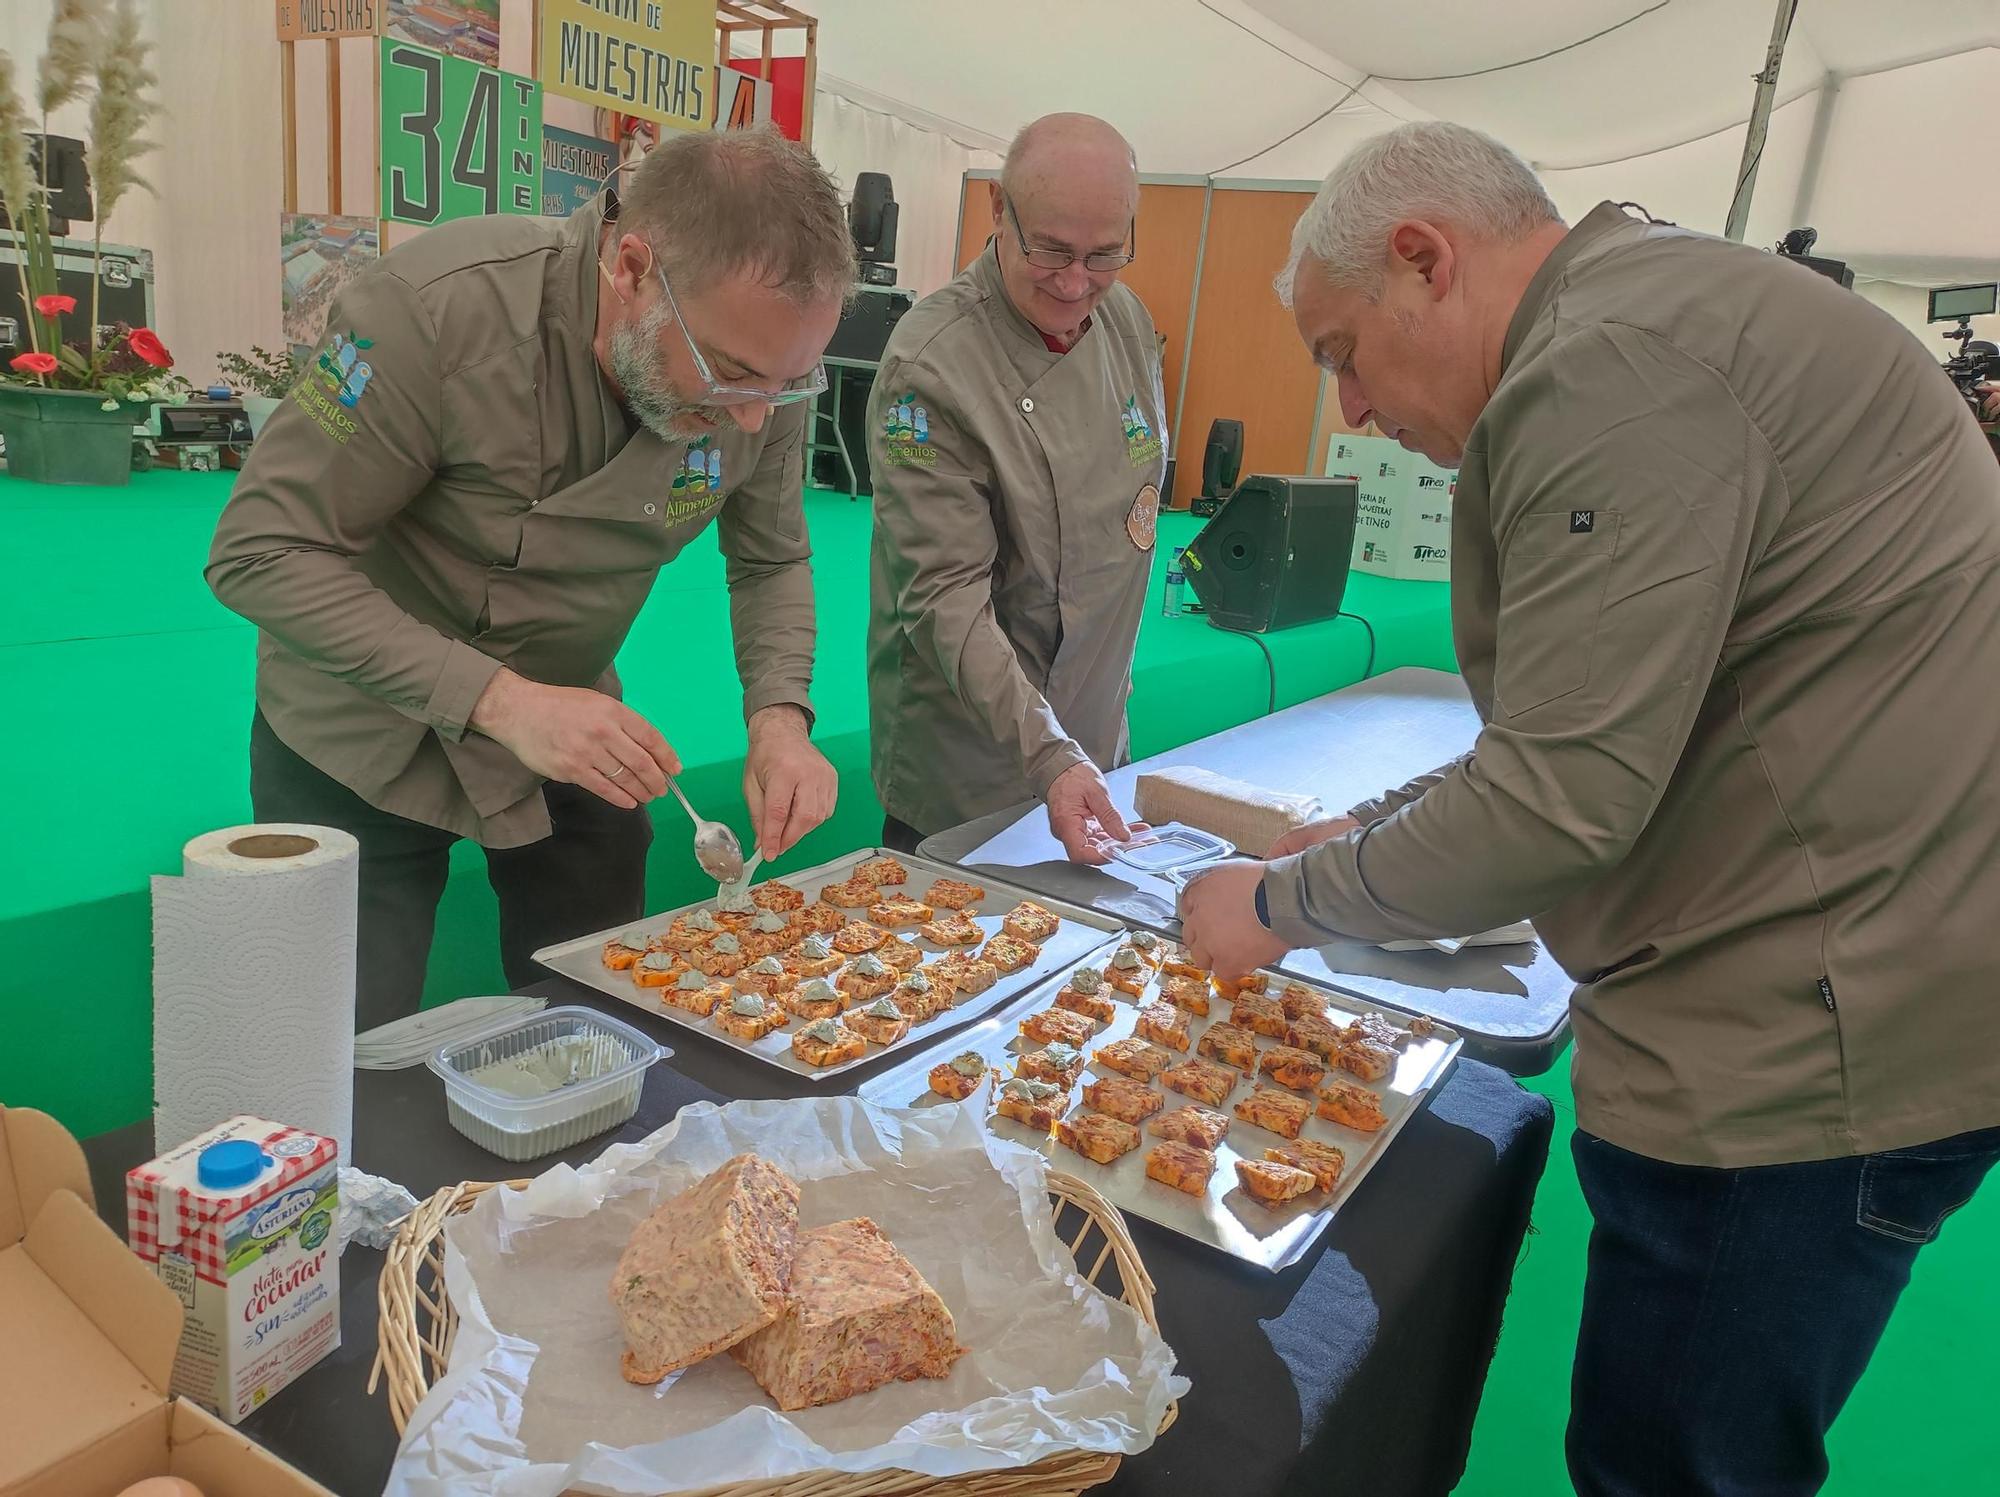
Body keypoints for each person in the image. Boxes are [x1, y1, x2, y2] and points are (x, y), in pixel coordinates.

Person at [1178, 121, 2000, 1495]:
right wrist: (1378, 844)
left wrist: (1275, 906)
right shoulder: (1660, 315)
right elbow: (1615, 727)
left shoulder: (1606, 374)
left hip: (1799, 1058)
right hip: (1852, 985)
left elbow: (1560, 801)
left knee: (1678, 1464)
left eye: (1342, 352)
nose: (1353, 413)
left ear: (1426, 260)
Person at [208, 127, 851, 1029]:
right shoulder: (431, 312)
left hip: (571, 716)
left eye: (784, 385)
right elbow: (260, 551)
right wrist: (505, 703)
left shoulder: (765, 373)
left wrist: (781, 720)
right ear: (631, 268)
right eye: (730, 375)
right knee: (331, 1044)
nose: (749, 420)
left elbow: (772, 555)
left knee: (600, 1017)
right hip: (361, 722)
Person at [866, 112, 1164, 861]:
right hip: (975, 757)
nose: (1075, 283)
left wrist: (1097, 705)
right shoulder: (930, 365)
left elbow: (1136, 514)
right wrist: (1049, 751)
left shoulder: (1126, 322)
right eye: (1051, 250)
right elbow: (943, 599)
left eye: (1105, 254)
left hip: (1092, 745)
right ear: (999, 210)